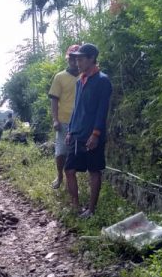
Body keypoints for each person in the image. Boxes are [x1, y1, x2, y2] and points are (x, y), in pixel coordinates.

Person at [64, 43, 113, 218]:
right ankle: (75, 205)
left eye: (81, 58)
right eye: (76, 59)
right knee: (69, 170)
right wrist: (70, 129)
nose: (77, 62)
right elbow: (76, 108)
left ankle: (91, 210)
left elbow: (102, 110)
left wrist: (96, 133)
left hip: (92, 135)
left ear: (91, 59)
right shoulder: (80, 82)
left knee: (94, 171)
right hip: (77, 133)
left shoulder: (102, 81)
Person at [48, 44, 81, 189]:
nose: (74, 61)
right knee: (61, 152)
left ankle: (72, 180)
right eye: (72, 58)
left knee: (76, 152)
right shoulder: (60, 77)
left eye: (77, 58)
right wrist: (55, 120)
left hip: (81, 121)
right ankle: (60, 176)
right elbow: (54, 99)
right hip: (64, 121)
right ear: (68, 59)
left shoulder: (85, 76)